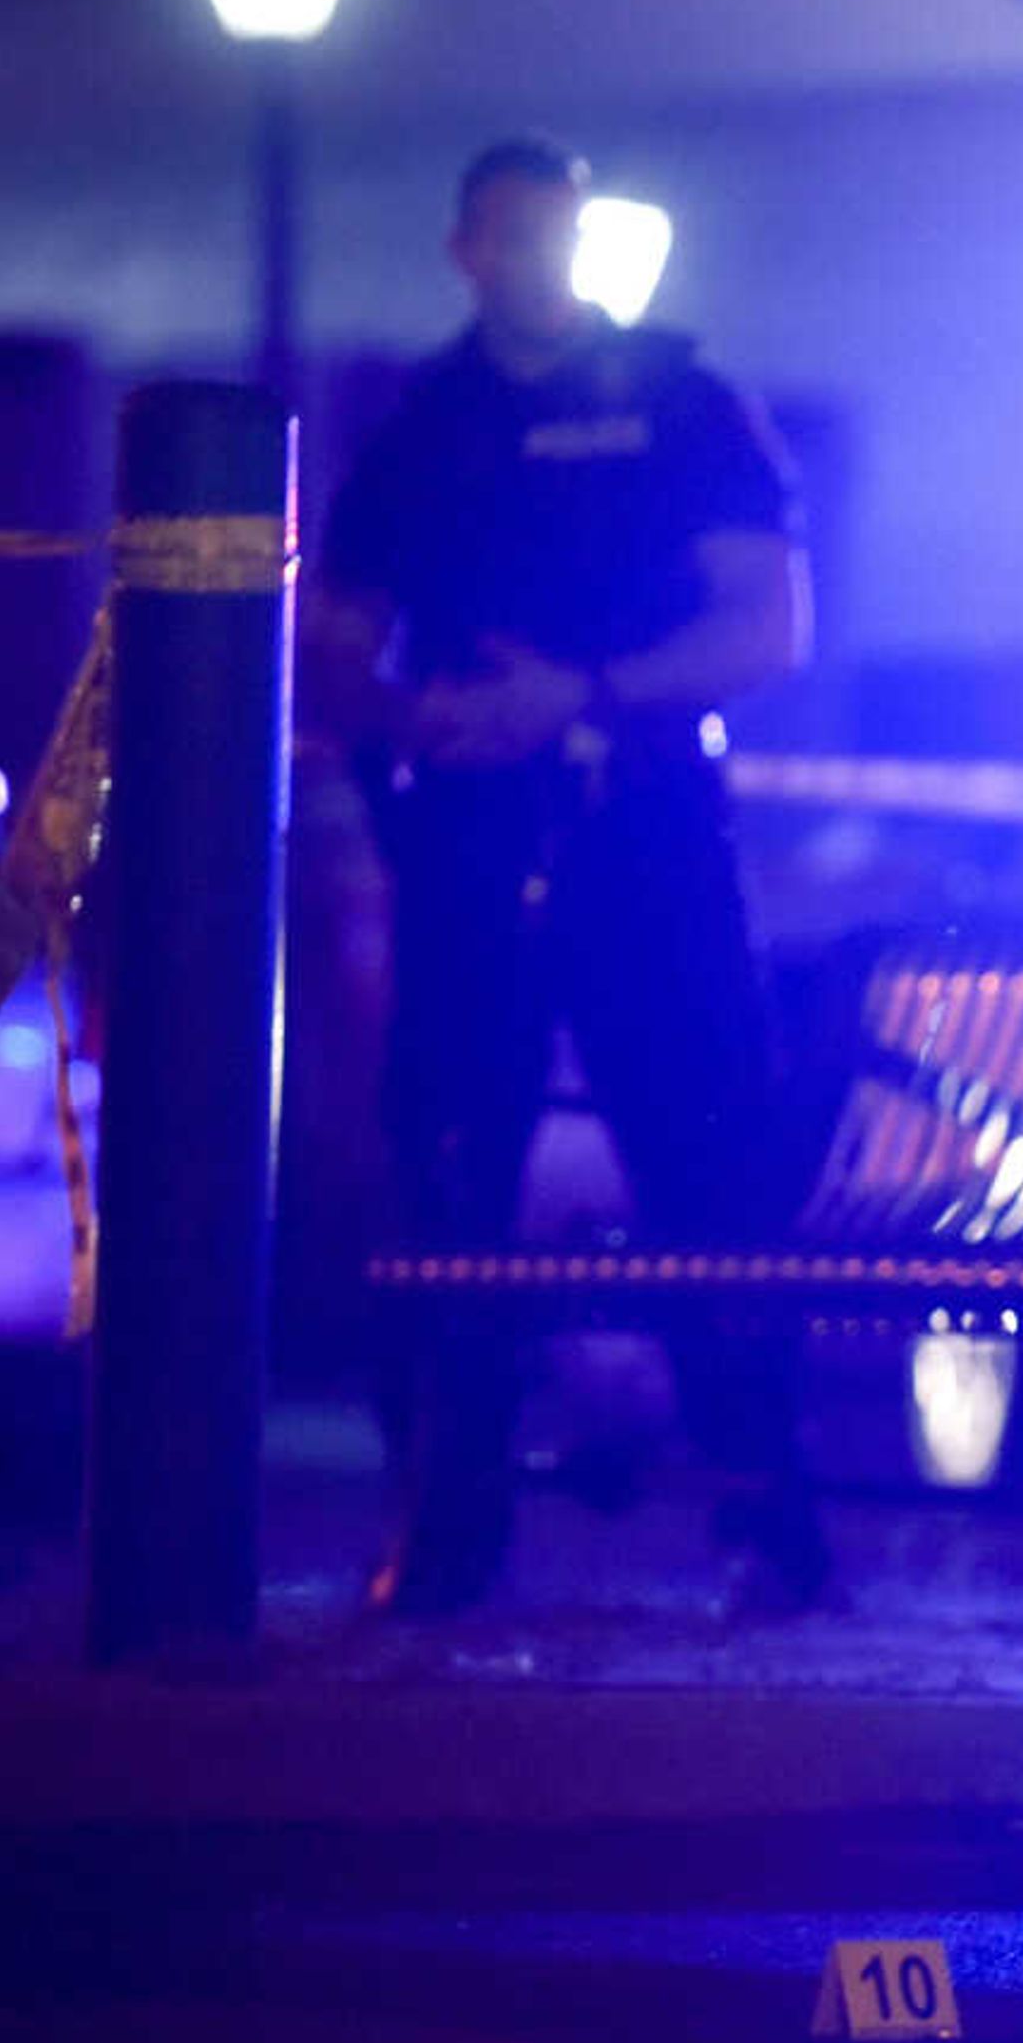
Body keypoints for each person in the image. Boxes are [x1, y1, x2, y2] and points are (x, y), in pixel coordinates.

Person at [308, 136, 822, 1618]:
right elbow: (339, 649)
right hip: (471, 842)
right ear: (465, 247)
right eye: (513, 234)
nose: (538, 257)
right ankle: (447, 1521)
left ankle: (765, 1519)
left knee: (709, 1163)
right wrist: (421, 725)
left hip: (649, 835)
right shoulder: (422, 428)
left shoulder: (686, 403)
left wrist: (583, 695)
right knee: (449, 1174)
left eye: (560, 231)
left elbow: (770, 627)